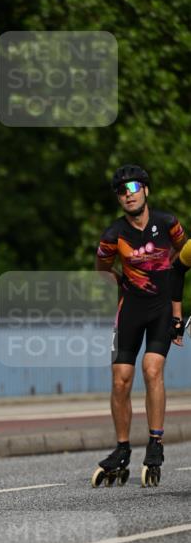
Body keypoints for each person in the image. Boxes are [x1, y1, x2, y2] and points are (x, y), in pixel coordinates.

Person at [93, 164, 188, 486]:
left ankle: (155, 442)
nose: (128, 195)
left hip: (162, 309)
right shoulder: (113, 235)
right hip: (131, 309)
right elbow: (102, 270)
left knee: (151, 369)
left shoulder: (169, 223)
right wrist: (123, 286)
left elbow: (184, 261)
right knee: (120, 379)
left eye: (133, 188)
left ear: (145, 190)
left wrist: (177, 311)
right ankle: (122, 449)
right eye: (121, 191)